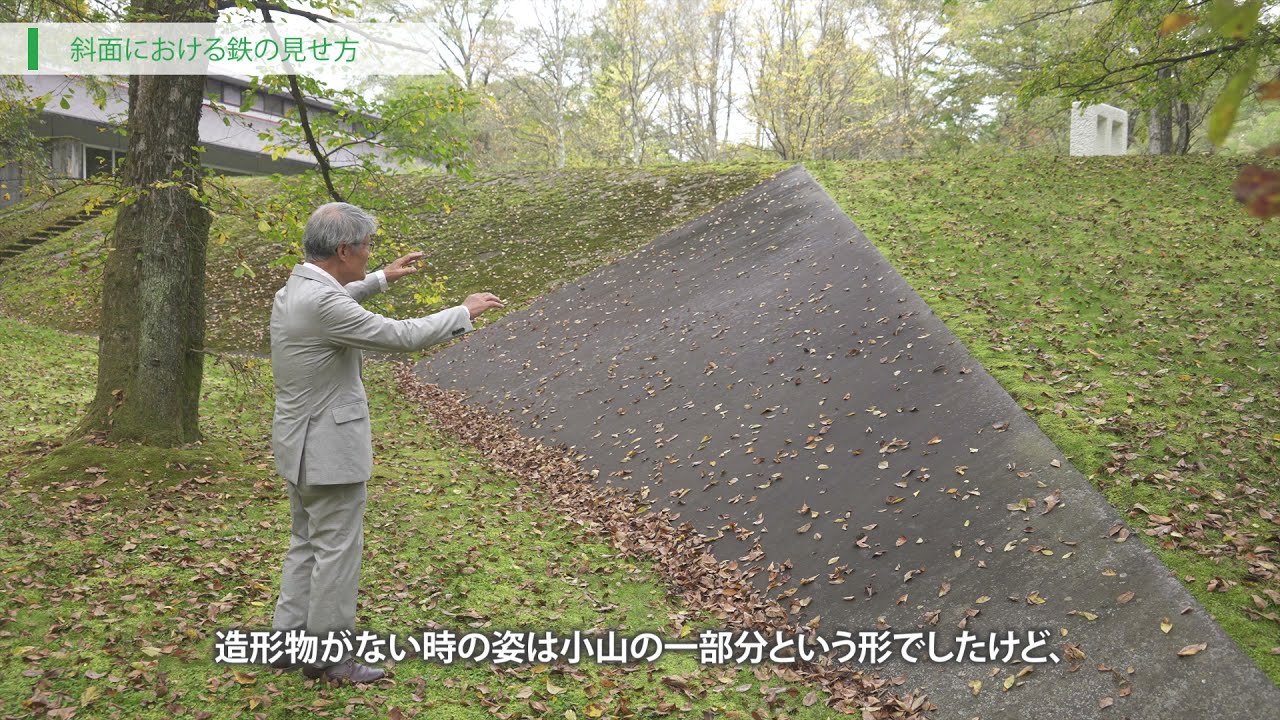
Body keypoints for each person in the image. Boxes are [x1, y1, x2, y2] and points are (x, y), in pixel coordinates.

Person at [268, 202, 504, 684]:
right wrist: (463, 312)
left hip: (298, 443)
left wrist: (381, 278)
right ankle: (329, 657)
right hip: (327, 449)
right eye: (366, 247)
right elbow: (400, 336)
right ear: (343, 249)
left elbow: (339, 294)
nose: (369, 253)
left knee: (306, 545)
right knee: (335, 551)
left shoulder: (297, 288)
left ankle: (288, 643)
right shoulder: (322, 303)